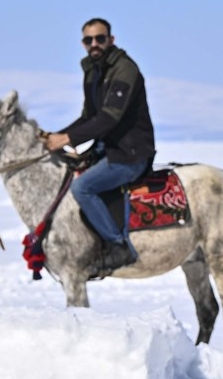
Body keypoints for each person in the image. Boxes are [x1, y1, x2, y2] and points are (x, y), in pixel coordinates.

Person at [44, 17, 156, 275]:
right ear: (83, 43)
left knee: (82, 188)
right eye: (88, 40)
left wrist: (68, 139)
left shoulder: (124, 69)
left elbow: (109, 117)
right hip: (107, 149)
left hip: (129, 154)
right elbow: (88, 117)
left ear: (111, 40)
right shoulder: (93, 70)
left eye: (100, 38)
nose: (94, 44)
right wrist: (57, 136)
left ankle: (118, 245)